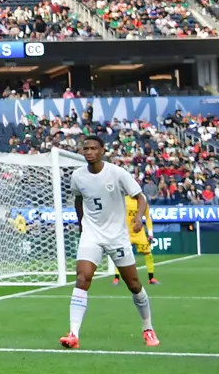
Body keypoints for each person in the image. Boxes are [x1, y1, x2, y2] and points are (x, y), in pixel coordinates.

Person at [63, 135, 158, 350]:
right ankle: (73, 334)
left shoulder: (117, 173)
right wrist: (81, 223)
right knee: (82, 278)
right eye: (85, 148)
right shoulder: (77, 176)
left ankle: (148, 327)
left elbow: (141, 197)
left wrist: (138, 217)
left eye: (93, 148)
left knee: (134, 284)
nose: (88, 152)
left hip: (117, 236)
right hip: (92, 234)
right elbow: (78, 199)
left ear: (102, 150)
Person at [111, 193, 159, 286]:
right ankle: (116, 278)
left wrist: (150, 233)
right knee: (120, 254)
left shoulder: (142, 201)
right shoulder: (124, 200)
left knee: (148, 253)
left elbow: (148, 218)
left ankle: (151, 278)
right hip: (126, 233)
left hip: (139, 233)